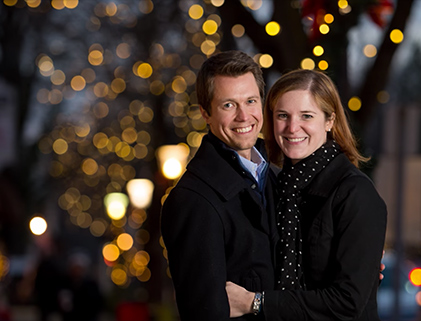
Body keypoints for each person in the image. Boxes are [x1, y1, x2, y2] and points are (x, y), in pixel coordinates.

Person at [226, 69, 387, 320]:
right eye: (282, 116)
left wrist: (256, 302)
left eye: (306, 115)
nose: (292, 127)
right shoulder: (272, 187)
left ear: (329, 120)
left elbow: (347, 302)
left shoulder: (355, 193)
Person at [160, 50, 278, 320]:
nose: (243, 116)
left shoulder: (277, 177)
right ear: (205, 113)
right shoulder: (191, 199)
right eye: (228, 105)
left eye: (250, 101)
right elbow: (203, 312)